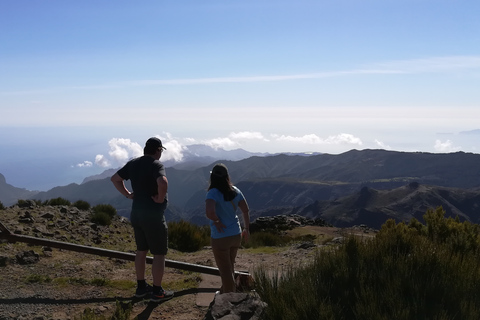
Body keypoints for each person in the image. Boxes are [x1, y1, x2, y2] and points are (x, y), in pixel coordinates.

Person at [110, 137, 174, 302]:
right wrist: (160, 199)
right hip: (152, 214)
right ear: (158, 150)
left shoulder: (133, 163)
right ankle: (158, 292)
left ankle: (141, 287)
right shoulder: (156, 165)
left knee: (141, 251)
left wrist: (128, 195)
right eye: (160, 151)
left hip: (136, 214)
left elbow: (115, 179)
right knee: (159, 254)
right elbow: (163, 182)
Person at [205, 163, 250, 294]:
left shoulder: (212, 193)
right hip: (236, 234)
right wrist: (246, 228)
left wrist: (217, 221)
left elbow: (209, 212)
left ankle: (229, 298)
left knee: (225, 270)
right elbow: (245, 210)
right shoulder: (236, 191)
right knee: (230, 266)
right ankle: (225, 291)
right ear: (227, 177)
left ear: (212, 177)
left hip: (220, 236)